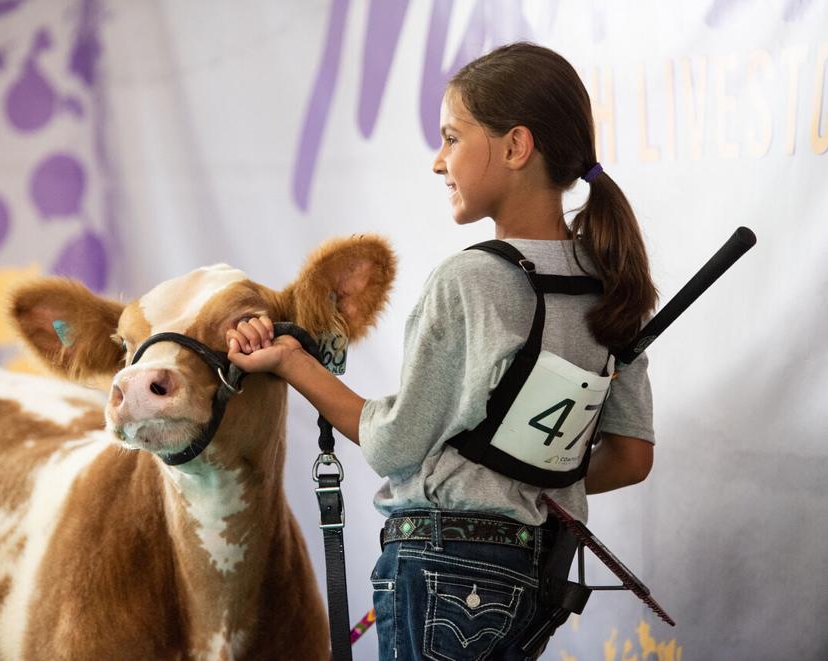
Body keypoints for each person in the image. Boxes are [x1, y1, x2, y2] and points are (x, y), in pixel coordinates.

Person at [226, 42, 656, 660]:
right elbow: (631, 457)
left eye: (452, 138)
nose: (438, 162)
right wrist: (520, 480)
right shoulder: (613, 281)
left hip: (443, 570)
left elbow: (392, 444)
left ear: (515, 147)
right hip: (535, 576)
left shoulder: (471, 280)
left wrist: (293, 363)